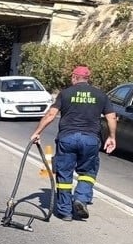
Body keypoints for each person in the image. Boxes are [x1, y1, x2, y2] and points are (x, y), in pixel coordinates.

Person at [30, 65, 117, 221]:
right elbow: (111, 117)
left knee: (64, 174)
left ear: (75, 77)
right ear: (88, 78)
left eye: (72, 77)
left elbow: (51, 114)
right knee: (88, 173)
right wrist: (112, 137)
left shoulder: (65, 93)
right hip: (90, 139)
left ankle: (65, 212)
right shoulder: (100, 95)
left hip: (67, 138)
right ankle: (81, 198)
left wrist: (37, 132)